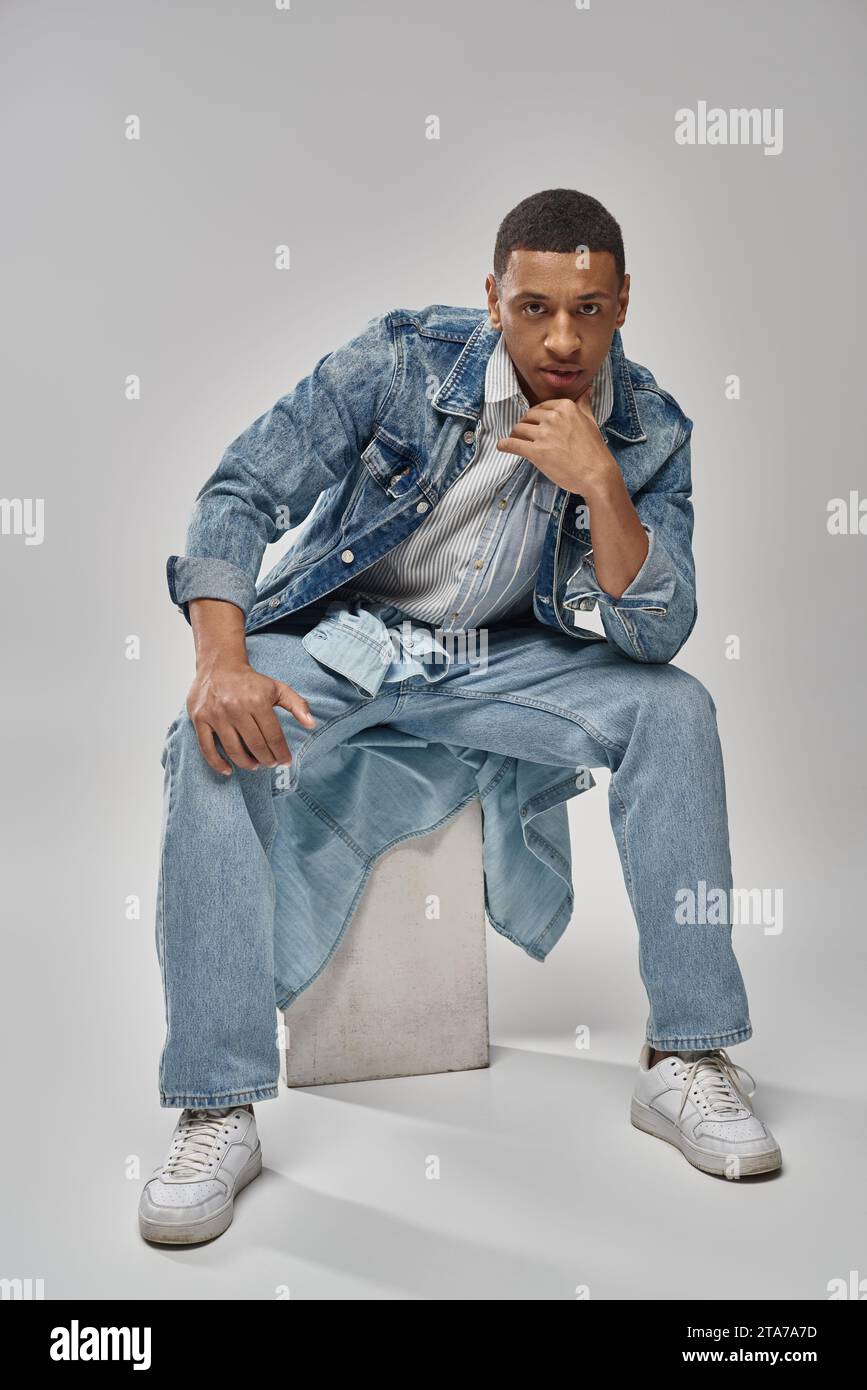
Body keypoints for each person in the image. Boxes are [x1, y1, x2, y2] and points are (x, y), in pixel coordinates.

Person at [139, 188, 782, 1247]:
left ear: (623, 304)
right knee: (205, 746)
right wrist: (220, 660)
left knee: (678, 711)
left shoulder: (650, 427)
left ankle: (689, 1055)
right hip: (349, 643)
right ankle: (216, 1104)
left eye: (587, 308)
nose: (562, 337)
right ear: (493, 299)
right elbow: (240, 492)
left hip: (507, 663)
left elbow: (659, 630)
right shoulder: (400, 360)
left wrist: (604, 483)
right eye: (534, 307)